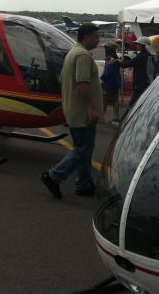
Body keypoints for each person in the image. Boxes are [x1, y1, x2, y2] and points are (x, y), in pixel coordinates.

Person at [41, 23, 102, 199]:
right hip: (83, 113)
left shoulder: (72, 53)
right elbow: (83, 83)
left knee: (84, 149)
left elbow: (62, 79)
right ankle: (54, 176)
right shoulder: (82, 55)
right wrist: (91, 107)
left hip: (73, 110)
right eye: (96, 37)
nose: (98, 40)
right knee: (83, 149)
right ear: (86, 37)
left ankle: (84, 184)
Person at [119, 36, 156, 115]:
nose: (136, 46)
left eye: (138, 44)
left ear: (142, 46)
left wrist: (117, 62)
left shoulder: (141, 56)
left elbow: (127, 64)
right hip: (148, 83)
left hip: (140, 84)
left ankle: (125, 120)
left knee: (132, 104)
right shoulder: (150, 55)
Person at [100, 42, 121, 128]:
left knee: (104, 100)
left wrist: (103, 77)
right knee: (115, 100)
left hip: (109, 82)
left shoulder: (110, 58)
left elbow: (109, 71)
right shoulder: (115, 57)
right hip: (115, 82)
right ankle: (116, 117)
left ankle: (100, 118)